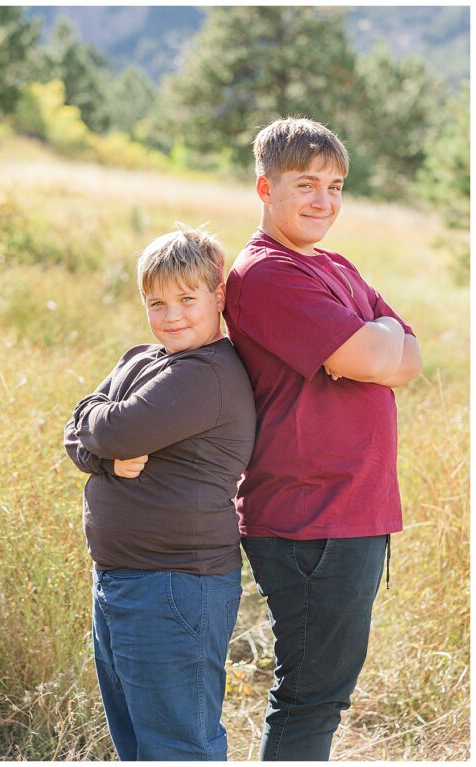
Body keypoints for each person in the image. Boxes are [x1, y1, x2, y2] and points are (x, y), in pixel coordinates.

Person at [223, 117, 422, 760]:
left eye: (335, 186)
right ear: (265, 188)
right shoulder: (267, 274)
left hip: (350, 511)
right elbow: (375, 353)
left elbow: (408, 357)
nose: (323, 201)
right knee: (312, 696)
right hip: (313, 515)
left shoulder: (333, 264)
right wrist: (376, 343)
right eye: (306, 184)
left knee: (324, 691)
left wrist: (380, 346)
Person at [64, 226, 257, 761]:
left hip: (173, 586)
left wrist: (100, 435)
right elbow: (78, 429)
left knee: (177, 746)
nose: (172, 315)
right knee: (137, 742)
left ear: (218, 297)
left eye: (187, 300)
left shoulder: (207, 374)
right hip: (123, 580)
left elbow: (110, 428)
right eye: (157, 303)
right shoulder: (142, 358)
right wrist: (100, 453)